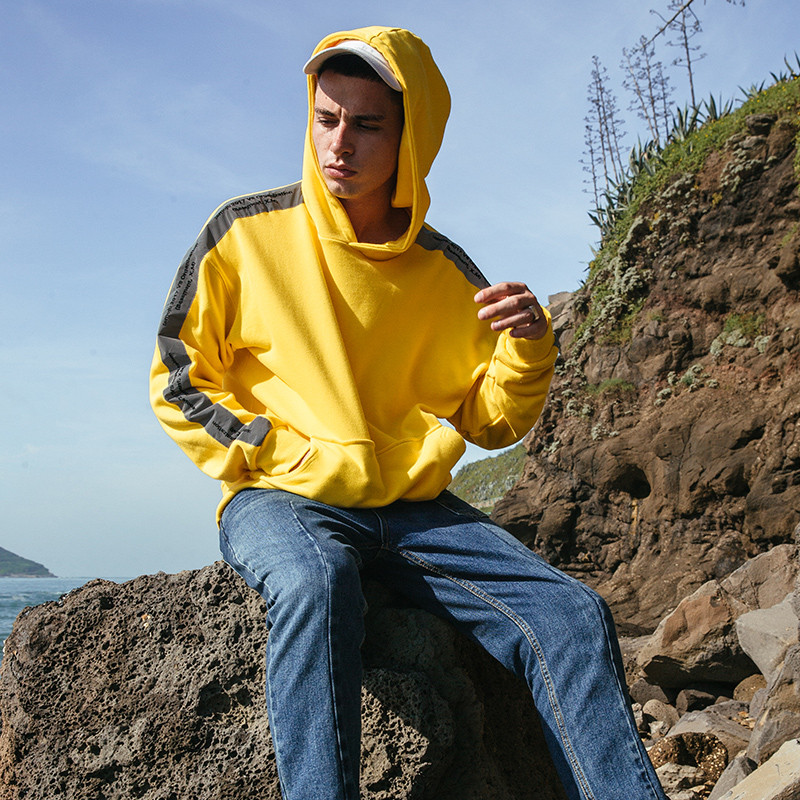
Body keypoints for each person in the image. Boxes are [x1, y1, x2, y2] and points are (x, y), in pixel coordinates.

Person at [150, 26, 667, 800]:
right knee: (315, 585)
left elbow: (491, 421)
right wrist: (278, 452)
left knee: (571, 613)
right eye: (326, 118)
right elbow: (178, 372)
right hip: (281, 496)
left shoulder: (448, 274)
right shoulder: (245, 233)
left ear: (410, 138)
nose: (340, 143)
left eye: (367, 124)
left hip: (416, 510)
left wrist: (528, 349)